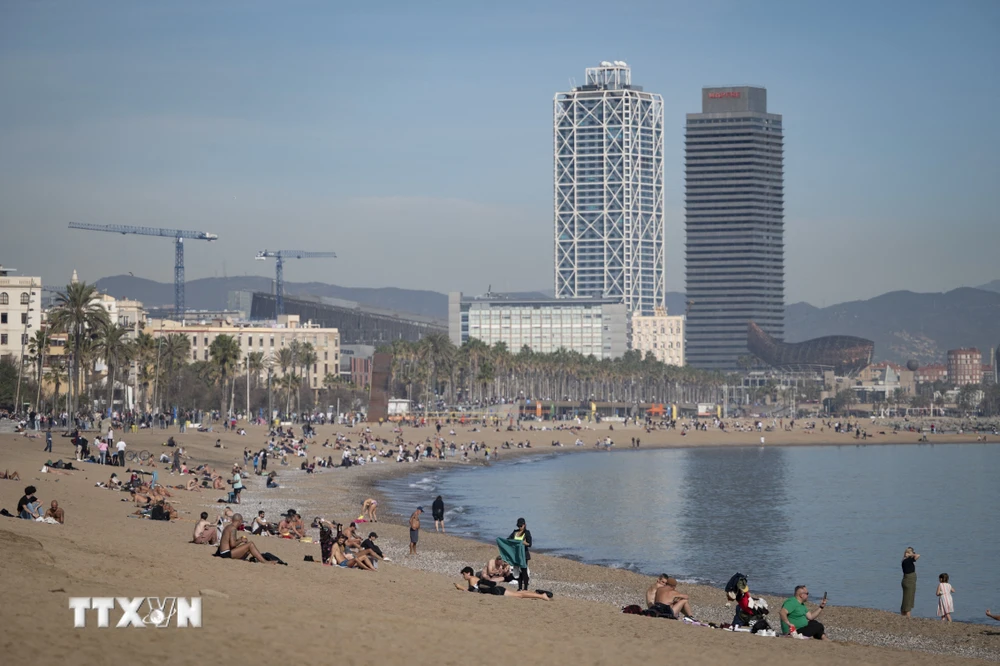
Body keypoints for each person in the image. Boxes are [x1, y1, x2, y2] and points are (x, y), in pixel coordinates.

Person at [455, 567, 552, 600]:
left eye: (464, 574)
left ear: (468, 573)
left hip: (497, 591)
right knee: (519, 594)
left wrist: (460, 587)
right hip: (496, 590)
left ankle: (542, 596)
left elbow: (472, 591)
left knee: (520, 595)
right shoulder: (473, 579)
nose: (463, 576)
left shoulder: (472, 579)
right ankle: (537, 593)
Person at [509, 517, 533, 591]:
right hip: (516, 554)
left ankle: (525, 588)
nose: (519, 527)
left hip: (524, 554)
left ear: (524, 525)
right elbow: (508, 540)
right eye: (518, 526)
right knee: (518, 570)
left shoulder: (527, 533)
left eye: (521, 526)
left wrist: (524, 543)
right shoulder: (515, 532)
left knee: (524, 570)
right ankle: (519, 588)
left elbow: (530, 544)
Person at [901, 546, 920, 617]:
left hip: (908, 580)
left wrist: (910, 555)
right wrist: (910, 555)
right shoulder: (907, 560)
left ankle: (903, 615)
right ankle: (908, 616)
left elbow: (917, 556)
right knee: (908, 600)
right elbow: (918, 555)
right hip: (909, 581)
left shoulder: (906, 560)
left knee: (907, 599)